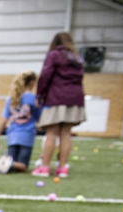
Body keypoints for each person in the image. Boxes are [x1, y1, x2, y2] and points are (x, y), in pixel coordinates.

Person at [33, 32, 85, 178]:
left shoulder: (54, 55)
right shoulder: (77, 57)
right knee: (66, 134)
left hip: (56, 97)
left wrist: (39, 95)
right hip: (75, 99)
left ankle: (44, 168)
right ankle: (62, 168)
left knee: (51, 133)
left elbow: (45, 76)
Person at [0, 71, 38, 174]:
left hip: (12, 136)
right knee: (23, 166)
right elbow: (39, 117)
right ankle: (7, 163)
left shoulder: (10, 99)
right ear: (31, 82)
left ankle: (5, 163)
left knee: (13, 166)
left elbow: (3, 121)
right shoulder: (34, 98)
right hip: (27, 136)